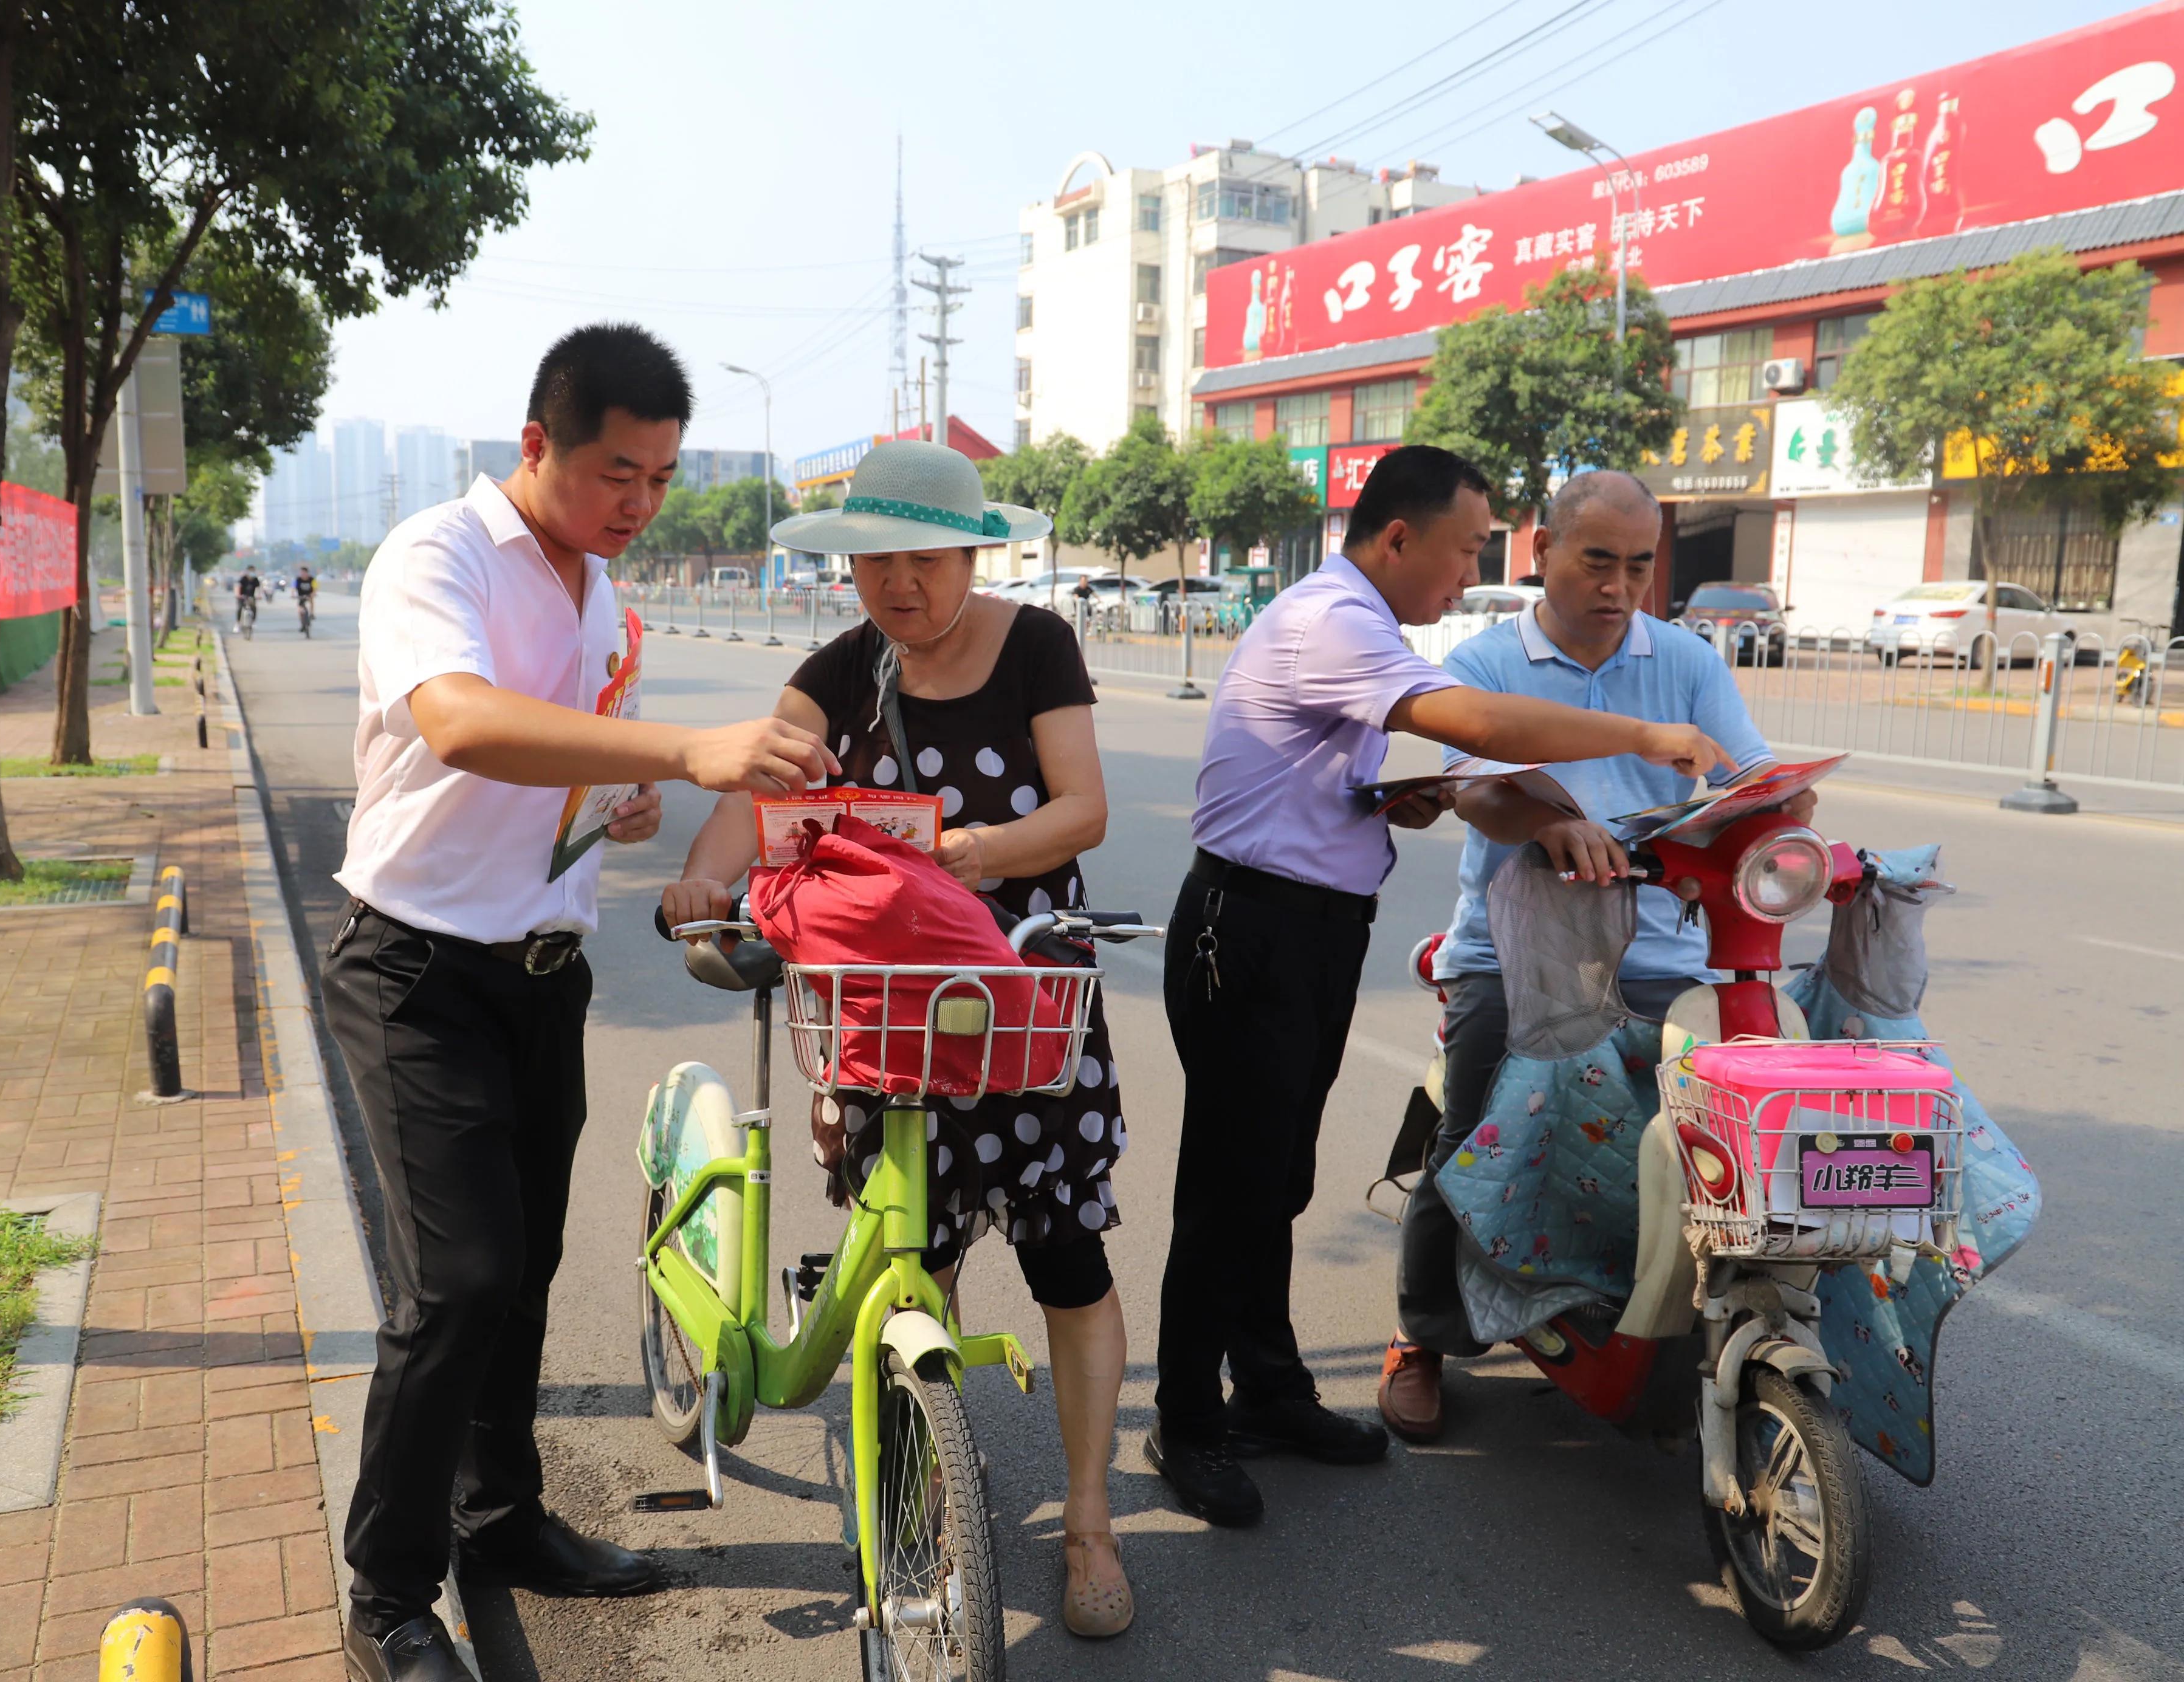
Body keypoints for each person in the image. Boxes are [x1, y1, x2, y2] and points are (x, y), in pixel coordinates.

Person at [322, 323, 839, 1682]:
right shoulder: (436, 555)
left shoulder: (602, 597)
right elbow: (461, 723)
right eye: (620, 470)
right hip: (414, 968)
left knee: (524, 1272)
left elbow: (549, 766)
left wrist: (621, 802)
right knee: (459, 1282)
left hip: (542, 974)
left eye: (662, 476)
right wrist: (679, 746)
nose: (641, 502)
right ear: (537, 443)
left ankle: (497, 1521)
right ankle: (383, 1593)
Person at [1146, 445, 1729, 1528]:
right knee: (1228, 1189)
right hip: (1252, 930)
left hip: (1311, 930)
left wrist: (1382, 797)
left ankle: (1269, 1389)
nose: (1470, 576)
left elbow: (1373, 768)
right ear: (1399, 538)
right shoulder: (1333, 616)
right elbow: (1480, 727)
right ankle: (1184, 1419)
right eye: (1466, 550)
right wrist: (1646, 736)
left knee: (1274, 1179)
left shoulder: (1361, 623)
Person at [661, 440, 1139, 1640]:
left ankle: (1088, 1522)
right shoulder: (839, 668)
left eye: (922, 560)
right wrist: (700, 879)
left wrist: (971, 854)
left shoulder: (1036, 644)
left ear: (972, 554)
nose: (897, 585)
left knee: (1065, 1259)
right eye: (873, 562)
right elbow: (754, 794)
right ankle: (928, 1457)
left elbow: (1081, 805)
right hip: (890, 1009)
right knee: (914, 1247)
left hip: (1022, 999)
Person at [1378, 470, 1814, 1441]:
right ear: (1542, 552)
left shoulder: (1687, 662)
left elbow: (1739, 775)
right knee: (1474, 1133)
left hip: (1663, 949)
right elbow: (1476, 791)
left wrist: (1782, 808)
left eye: (1640, 566)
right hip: (1513, 948)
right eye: (1598, 561)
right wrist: (1548, 824)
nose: (1619, 586)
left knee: (1732, 1133)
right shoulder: (1487, 661)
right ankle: (1423, 1338)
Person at [235, 563, 261, 634]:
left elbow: (258, 588)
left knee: (254, 608)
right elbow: (238, 587)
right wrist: (238, 595)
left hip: (251, 596)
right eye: (250, 571)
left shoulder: (255, 580)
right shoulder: (243, 579)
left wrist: (259, 595)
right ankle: (237, 624)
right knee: (240, 608)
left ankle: (253, 622)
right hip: (242, 596)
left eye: (253, 571)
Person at [295, 563, 318, 633]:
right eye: (301, 573)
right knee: (300, 609)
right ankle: (302, 624)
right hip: (301, 595)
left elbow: (315, 588)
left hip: (309, 594)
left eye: (304, 573)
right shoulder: (298, 580)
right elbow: (293, 587)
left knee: (311, 601)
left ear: (307, 573)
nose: (303, 574)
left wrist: (313, 594)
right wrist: (293, 594)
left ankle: (312, 614)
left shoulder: (312, 579)